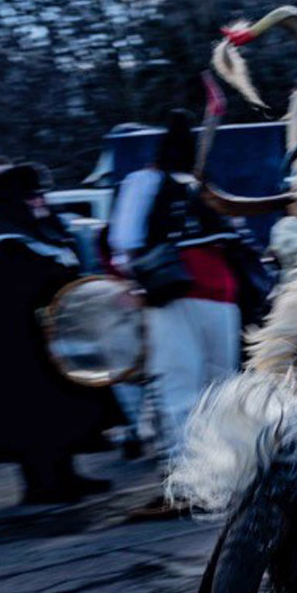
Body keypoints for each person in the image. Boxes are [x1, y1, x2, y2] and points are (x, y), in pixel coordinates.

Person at [0, 163, 120, 502]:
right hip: (19, 352)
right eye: (32, 196)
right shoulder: (0, 241)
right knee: (31, 418)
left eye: (40, 194)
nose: (40, 201)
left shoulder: (41, 231)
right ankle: (41, 485)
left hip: (50, 342)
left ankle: (67, 474)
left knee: (62, 413)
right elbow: (13, 299)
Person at [108, 112, 245, 492]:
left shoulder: (160, 182)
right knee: (203, 386)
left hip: (193, 290)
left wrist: (129, 279)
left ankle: (203, 474)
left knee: (196, 387)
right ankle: (207, 473)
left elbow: (125, 240)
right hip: (200, 290)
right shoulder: (182, 183)